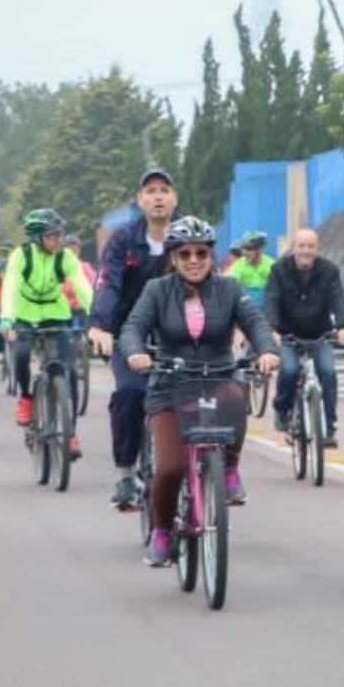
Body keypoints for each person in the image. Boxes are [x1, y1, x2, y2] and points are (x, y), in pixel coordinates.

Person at [119, 216, 281, 566]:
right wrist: (136, 352)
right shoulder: (157, 290)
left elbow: (255, 321)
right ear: (174, 258)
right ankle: (162, 532)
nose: (194, 260)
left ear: (212, 256)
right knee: (172, 467)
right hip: (169, 385)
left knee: (237, 396)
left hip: (218, 376)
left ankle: (230, 469)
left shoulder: (230, 289)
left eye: (202, 253)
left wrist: (267, 350)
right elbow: (133, 327)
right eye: (186, 254)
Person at [90, 166, 182, 512]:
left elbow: (214, 284)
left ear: (175, 198)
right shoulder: (123, 240)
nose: (158, 196)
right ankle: (127, 473)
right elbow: (109, 285)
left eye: (164, 189)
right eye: (151, 191)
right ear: (140, 200)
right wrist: (100, 325)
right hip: (131, 333)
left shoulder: (190, 236)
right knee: (131, 393)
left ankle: (216, 472)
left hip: (182, 331)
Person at [0, 208, 94, 456]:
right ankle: (27, 397)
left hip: (56, 313)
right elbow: (9, 286)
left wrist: (96, 315)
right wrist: (8, 318)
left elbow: (83, 286)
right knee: (20, 354)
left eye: (60, 235)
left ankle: (71, 433)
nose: (58, 240)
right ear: (37, 237)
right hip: (24, 313)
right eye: (52, 236)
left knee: (71, 371)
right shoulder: (21, 256)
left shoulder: (66, 258)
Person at [263, 227, 344, 447]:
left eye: (310, 246)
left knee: (328, 373)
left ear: (318, 249)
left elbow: (338, 299)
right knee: (291, 370)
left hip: (320, 335)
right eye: (301, 246)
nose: (306, 251)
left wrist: (343, 326)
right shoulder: (279, 270)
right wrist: (272, 329)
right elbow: (271, 300)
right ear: (293, 248)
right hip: (288, 335)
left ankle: (329, 428)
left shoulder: (329, 271)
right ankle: (282, 410)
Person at [226, 230, 273, 303]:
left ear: (259, 250)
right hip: (246, 308)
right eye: (243, 249)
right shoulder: (238, 265)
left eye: (249, 249)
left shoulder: (271, 265)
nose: (244, 253)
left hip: (268, 308)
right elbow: (231, 287)